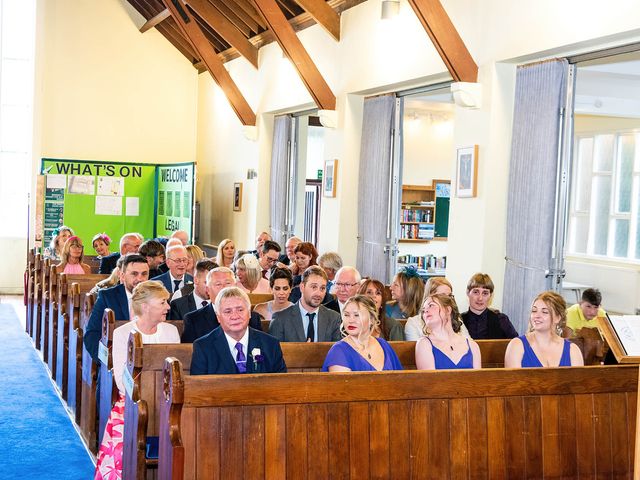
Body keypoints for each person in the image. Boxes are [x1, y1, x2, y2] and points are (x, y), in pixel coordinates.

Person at [94, 280, 180, 480]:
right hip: (133, 401)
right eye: (162, 302)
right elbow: (121, 381)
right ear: (145, 306)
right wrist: (147, 395)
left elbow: (177, 373)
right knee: (124, 428)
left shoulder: (171, 332)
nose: (168, 307)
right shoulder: (123, 333)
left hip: (166, 400)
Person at [190, 287, 287, 375]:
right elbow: (198, 389)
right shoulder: (203, 347)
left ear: (249, 313)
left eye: (240, 310)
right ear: (218, 317)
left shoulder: (270, 344)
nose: (235, 316)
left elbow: (282, 384)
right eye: (228, 311)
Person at [84, 254, 149, 362]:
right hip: (114, 360)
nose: (140, 279)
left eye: (144, 274)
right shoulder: (108, 297)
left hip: (148, 359)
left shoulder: (155, 297)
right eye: (134, 274)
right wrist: (107, 362)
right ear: (122, 276)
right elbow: (92, 335)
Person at [322, 295, 403, 372]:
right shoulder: (338, 351)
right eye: (346, 315)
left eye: (357, 315)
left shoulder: (384, 345)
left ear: (371, 319)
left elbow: (400, 380)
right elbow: (342, 385)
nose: (351, 320)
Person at [181, 267, 262, 343]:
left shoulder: (252, 317)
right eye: (218, 284)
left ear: (236, 287)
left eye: (228, 283)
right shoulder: (193, 320)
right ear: (208, 290)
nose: (224, 288)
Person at [505, 291, 584, 368]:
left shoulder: (573, 351)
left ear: (557, 318)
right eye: (534, 311)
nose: (537, 316)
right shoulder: (516, 346)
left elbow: (580, 381)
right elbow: (512, 380)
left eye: (544, 312)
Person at [269, 266, 342, 342]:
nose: (318, 293)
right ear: (302, 287)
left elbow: (338, 352)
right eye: (314, 287)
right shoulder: (280, 319)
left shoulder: (334, 318)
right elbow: (274, 352)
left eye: (322, 288)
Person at [415, 294, 481, 370]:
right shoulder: (424, 344)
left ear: (448, 310)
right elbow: (430, 380)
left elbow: (478, 380)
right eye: (423, 310)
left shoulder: (472, 346)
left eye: (431, 305)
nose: (425, 311)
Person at [404, 277, 470, 340]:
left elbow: (469, 344)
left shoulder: (456, 320)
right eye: (443, 296)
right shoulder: (413, 324)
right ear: (429, 297)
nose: (449, 300)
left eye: (450, 296)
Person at [460, 273, 518, 339]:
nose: (480, 298)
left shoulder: (502, 320)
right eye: (476, 292)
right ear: (468, 292)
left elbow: (517, 345)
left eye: (485, 293)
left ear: (490, 295)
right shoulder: (458, 321)